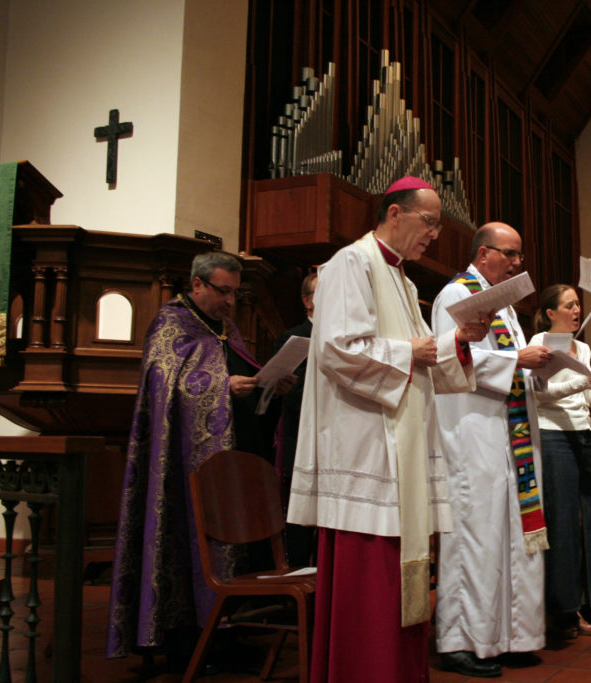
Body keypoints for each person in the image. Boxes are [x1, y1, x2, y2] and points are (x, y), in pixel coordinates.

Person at [285, 176, 489, 682]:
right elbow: (335, 349)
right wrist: (409, 353)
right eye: (429, 222)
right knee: (369, 584)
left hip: (404, 454)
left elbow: (428, 361)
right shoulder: (349, 264)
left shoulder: (405, 281)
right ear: (394, 214)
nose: (434, 236)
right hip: (366, 453)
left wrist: (460, 340)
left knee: (399, 585)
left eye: (438, 226)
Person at [106, 251, 295, 667]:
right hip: (183, 468)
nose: (230, 301)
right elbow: (165, 386)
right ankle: (182, 640)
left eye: (234, 292)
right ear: (196, 284)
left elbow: (242, 379)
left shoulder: (226, 328)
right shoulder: (170, 323)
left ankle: (226, 631)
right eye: (222, 291)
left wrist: (268, 388)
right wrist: (221, 386)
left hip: (229, 462)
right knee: (186, 543)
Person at [432, 222, 554, 678]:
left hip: (507, 433)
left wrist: (538, 365)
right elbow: (453, 359)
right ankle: (458, 641)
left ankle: (504, 635)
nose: (518, 263)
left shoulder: (502, 306)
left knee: (505, 534)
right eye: (511, 254)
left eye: (520, 256)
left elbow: (506, 362)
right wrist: (516, 362)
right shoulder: (455, 296)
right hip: (472, 433)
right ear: (484, 255)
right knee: (473, 537)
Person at [529, 284, 591, 639]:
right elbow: (541, 395)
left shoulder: (581, 346)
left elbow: (583, 398)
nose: (575, 311)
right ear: (550, 312)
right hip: (552, 436)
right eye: (568, 306)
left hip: (581, 433)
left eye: (577, 306)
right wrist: (585, 382)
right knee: (562, 521)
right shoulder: (540, 342)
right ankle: (562, 610)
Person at [274, 271, 318, 566]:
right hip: (301, 440)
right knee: (301, 528)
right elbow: (290, 394)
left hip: (332, 445)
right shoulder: (293, 337)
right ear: (307, 300)